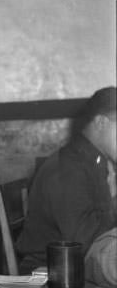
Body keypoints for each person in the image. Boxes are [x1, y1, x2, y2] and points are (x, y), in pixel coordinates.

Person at [17, 86, 117, 277]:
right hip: (50, 274)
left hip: (77, 266)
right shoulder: (67, 168)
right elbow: (86, 243)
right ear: (101, 123)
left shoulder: (94, 161)